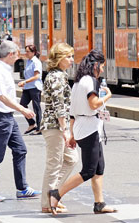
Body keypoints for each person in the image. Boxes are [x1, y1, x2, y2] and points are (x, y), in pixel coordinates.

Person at [48, 50, 115, 215]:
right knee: (89, 171)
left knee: (99, 168)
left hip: (83, 127)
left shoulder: (78, 82)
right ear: (96, 65)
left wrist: (72, 134)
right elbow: (94, 104)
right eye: (102, 66)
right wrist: (108, 96)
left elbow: (72, 112)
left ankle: (99, 204)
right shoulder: (91, 81)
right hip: (89, 129)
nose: (103, 70)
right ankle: (56, 194)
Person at [0, 41, 41, 202]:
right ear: (11, 54)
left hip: (7, 117)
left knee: (20, 150)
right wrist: (23, 109)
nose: (18, 57)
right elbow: (2, 97)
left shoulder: (4, 69)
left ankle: (22, 188)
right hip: (1, 117)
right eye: (17, 54)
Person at [40, 43, 79, 213]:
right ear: (59, 58)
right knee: (54, 164)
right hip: (54, 126)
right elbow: (59, 105)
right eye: (68, 57)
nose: (72, 60)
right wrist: (65, 130)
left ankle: (53, 195)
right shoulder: (56, 77)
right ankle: (47, 203)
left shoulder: (59, 75)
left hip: (55, 125)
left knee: (70, 158)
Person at [18, 45, 43, 135]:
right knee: (22, 105)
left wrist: (25, 81)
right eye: (26, 51)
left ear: (33, 52)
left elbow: (37, 76)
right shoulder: (28, 61)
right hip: (27, 87)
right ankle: (31, 123)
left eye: (28, 51)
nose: (26, 53)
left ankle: (39, 128)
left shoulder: (36, 62)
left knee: (36, 107)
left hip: (34, 87)